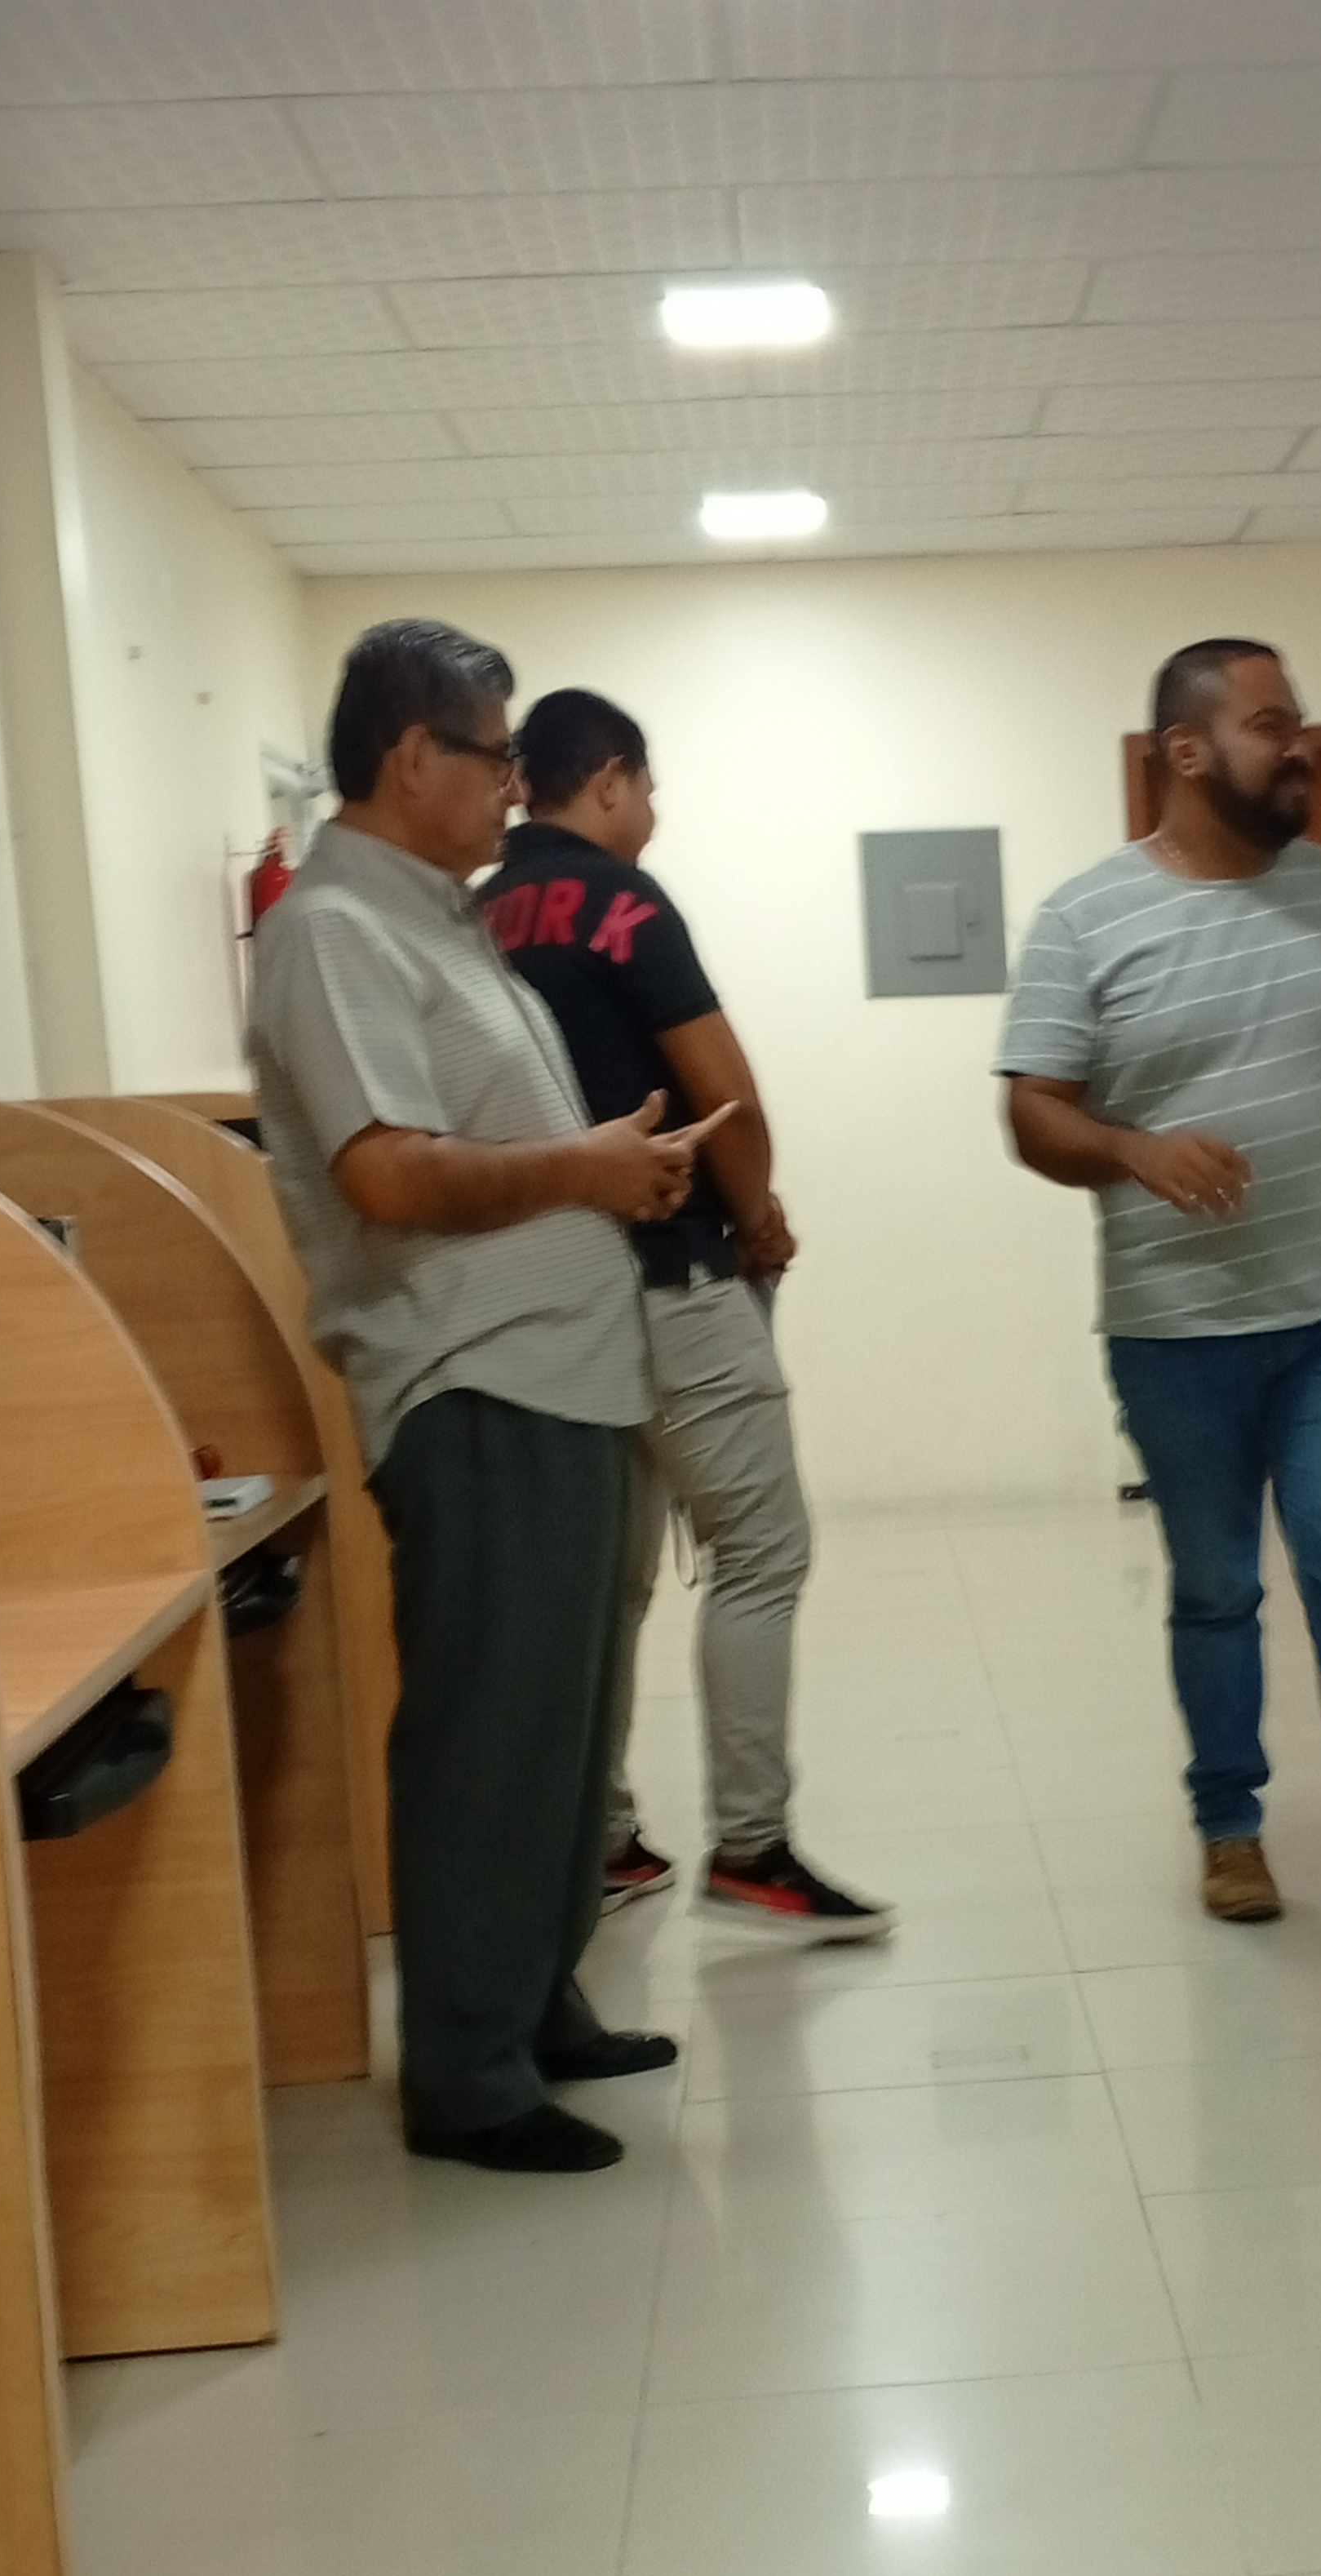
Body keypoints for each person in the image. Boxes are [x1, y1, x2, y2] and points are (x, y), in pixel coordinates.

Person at [250, 619, 707, 2174]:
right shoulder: (334, 930)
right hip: (474, 1383)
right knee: (490, 1737)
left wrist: (612, 1170)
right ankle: (465, 2070)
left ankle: (537, 2002)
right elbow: (386, 1172)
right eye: (498, 755)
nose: (517, 785)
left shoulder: (441, 919)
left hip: (562, 1374)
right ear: (411, 757)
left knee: (567, 1734)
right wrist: (585, 1167)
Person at [999, 636, 1321, 1948]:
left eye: (1299, 721)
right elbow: (1032, 1113)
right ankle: (1230, 1829)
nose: (1301, 746)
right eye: (1272, 725)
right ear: (1188, 751)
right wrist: (1130, 1149)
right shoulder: (1087, 918)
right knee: (1214, 1587)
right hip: (1175, 1334)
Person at [478, 689, 889, 1943]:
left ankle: (602, 1842)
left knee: (611, 1580)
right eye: (647, 789)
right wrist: (757, 1218)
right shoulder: (625, 902)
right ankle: (754, 1850)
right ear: (608, 778)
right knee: (762, 1549)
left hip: (546, 1292)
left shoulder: (474, 913)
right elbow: (725, 1097)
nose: (652, 814)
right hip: (671, 1273)